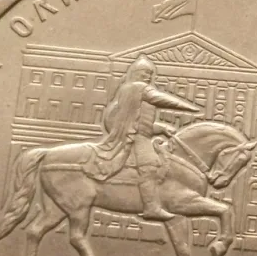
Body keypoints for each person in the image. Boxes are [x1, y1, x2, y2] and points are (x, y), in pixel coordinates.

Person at [84, 55, 201, 220]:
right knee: (150, 164)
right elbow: (160, 99)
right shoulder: (137, 88)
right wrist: (189, 108)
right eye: (144, 72)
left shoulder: (131, 92)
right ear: (135, 73)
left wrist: (160, 128)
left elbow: (139, 122)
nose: (148, 76)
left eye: (150, 74)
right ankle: (151, 207)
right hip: (136, 138)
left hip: (140, 135)